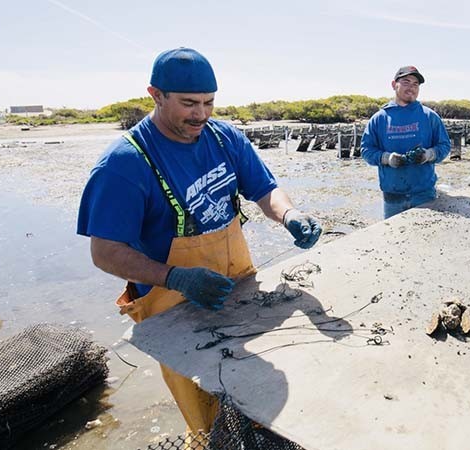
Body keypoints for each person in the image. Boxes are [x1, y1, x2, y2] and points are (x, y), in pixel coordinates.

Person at [77, 47, 321, 434]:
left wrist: (289, 214)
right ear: (155, 95)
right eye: (189, 104)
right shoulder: (124, 164)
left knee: (258, 392)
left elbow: (265, 189)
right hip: (172, 301)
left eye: (209, 103)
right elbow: (104, 252)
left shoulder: (224, 139)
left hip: (237, 282)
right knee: (206, 410)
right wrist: (177, 278)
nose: (201, 115)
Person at [361, 65, 451, 219]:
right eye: (406, 82)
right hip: (392, 195)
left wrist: (429, 154)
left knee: (424, 238)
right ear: (394, 84)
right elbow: (366, 150)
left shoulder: (430, 116)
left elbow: (444, 146)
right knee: (393, 238)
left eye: (416, 84)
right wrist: (387, 158)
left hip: (424, 194)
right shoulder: (379, 118)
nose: (411, 88)